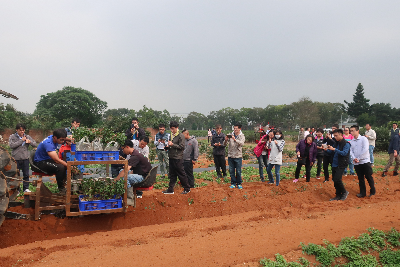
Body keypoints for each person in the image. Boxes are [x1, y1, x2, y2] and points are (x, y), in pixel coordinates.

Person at [115, 140, 153, 205]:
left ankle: (129, 199)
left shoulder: (135, 156)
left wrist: (115, 181)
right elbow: (135, 169)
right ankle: (122, 194)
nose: (123, 151)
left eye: (123, 149)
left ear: (127, 147)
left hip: (145, 178)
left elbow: (126, 170)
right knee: (121, 172)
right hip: (142, 174)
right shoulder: (136, 153)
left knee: (125, 178)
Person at [162, 121, 191, 194]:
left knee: (181, 174)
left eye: (173, 129)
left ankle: (187, 188)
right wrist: (167, 147)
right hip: (171, 157)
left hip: (178, 158)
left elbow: (182, 147)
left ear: (177, 128)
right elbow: (171, 145)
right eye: (171, 129)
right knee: (172, 174)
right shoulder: (171, 135)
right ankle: (170, 189)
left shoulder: (181, 136)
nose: (172, 130)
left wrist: (172, 145)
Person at [9, 123, 37, 192]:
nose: (22, 131)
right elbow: (12, 146)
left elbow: (35, 144)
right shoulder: (12, 137)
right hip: (16, 158)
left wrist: (29, 142)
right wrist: (21, 140)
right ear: (16, 130)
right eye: (20, 130)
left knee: (26, 174)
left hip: (25, 158)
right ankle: (17, 189)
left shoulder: (27, 136)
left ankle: (26, 188)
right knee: (16, 175)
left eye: (23, 130)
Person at [350, 125, 376, 198]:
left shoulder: (363, 139)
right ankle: (362, 192)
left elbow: (365, 149)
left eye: (353, 130)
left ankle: (372, 191)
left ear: (357, 131)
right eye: (351, 131)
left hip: (365, 161)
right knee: (360, 178)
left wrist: (358, 158)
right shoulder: (352, 141)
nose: (351, 132)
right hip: (357, 163)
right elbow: (350, 151)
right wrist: (354, 158)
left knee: (368, 176)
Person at [324, 129, 350, 201]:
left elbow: (344, 153)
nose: (335, 137)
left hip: (341, 164)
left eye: (336, 135)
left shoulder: (346, 144)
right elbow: (332, 152)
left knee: (337, 179)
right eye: (334, 136)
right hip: (334, 163)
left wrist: (334, 149)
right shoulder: (336, 143)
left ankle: (344, 192)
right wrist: (327, 150)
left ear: (341, 135)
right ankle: (338, 195)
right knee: (334, 180)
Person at [224, 123, 245, 189]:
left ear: (239, 129)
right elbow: (224, 144)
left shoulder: (242, 136)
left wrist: (235, 139)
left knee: (238, 171)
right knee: (231, 171)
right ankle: (233, 183)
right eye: (234, 128)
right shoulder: (231, 135)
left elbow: (241, 144)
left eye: (236, 128)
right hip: (230, 156)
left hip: (238, 156)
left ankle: (239, 183)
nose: (235, 129)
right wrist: (226, 139)